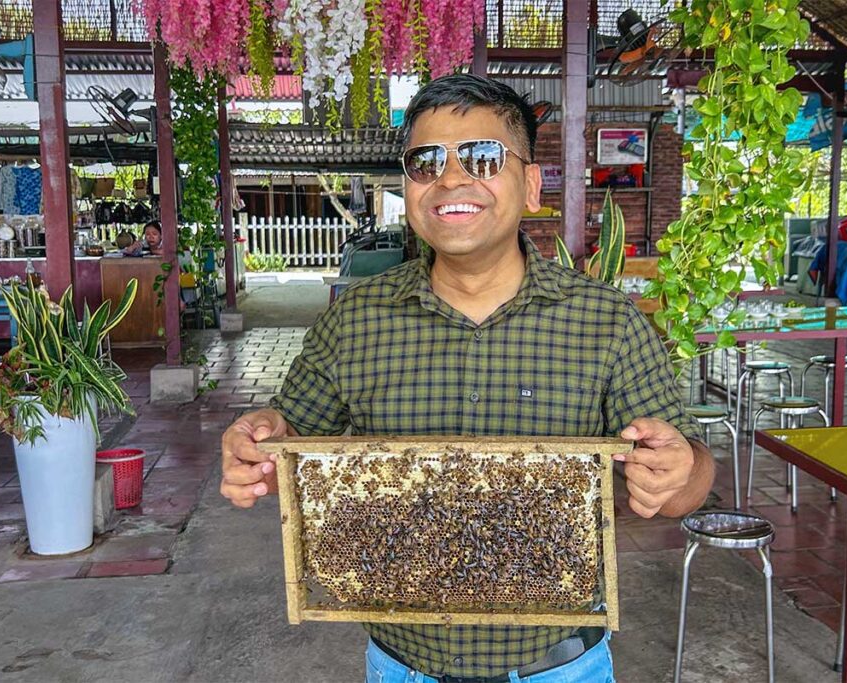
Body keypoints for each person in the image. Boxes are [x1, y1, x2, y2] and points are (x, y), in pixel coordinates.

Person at [220, 74, 714, 682]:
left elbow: (690, 475)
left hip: (559, 667)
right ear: (408, 186)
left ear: (530, 184)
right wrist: (259, 440)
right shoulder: (353, 320)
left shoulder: (607, 322)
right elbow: (290, 434)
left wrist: (681, 472)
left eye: (481, 157)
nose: (451, 178)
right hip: (401, 665)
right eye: (426, 162)